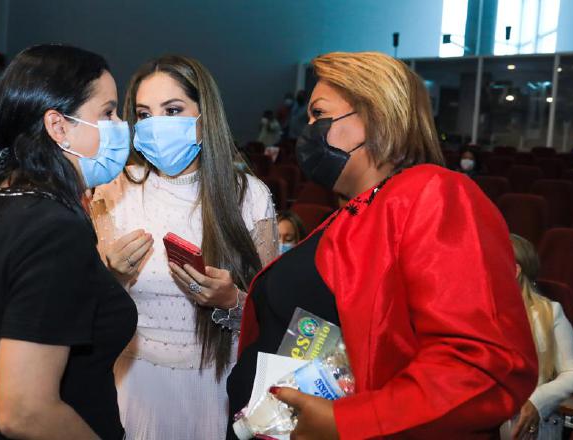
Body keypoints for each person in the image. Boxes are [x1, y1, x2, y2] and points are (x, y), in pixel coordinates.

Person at [228, 51, 538, 439]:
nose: (307, 129)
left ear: (374, 115)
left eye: (319, 114)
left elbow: (482, 367)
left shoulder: (434, 193)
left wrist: (347, 423)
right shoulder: (350, 213)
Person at [0, 44, 136, 439]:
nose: (121, 125)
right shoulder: (54, 226)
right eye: (107, 112)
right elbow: (25, 412)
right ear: (58, 127)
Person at [92, 54, 277, 440]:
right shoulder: (115, 190)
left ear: (203, 115)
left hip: (214, 386)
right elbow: (83, 307)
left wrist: (231, 301)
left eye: (172, 110)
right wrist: (112, 278)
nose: (157, 125)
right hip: (132, 384)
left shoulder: (249, 197)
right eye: (144, 114)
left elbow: (270, 318)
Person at [500, 234, 573, 440]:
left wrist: (538, 401)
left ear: (515, 270)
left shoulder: (549, 313)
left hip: (526, 427)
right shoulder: (475, 307)